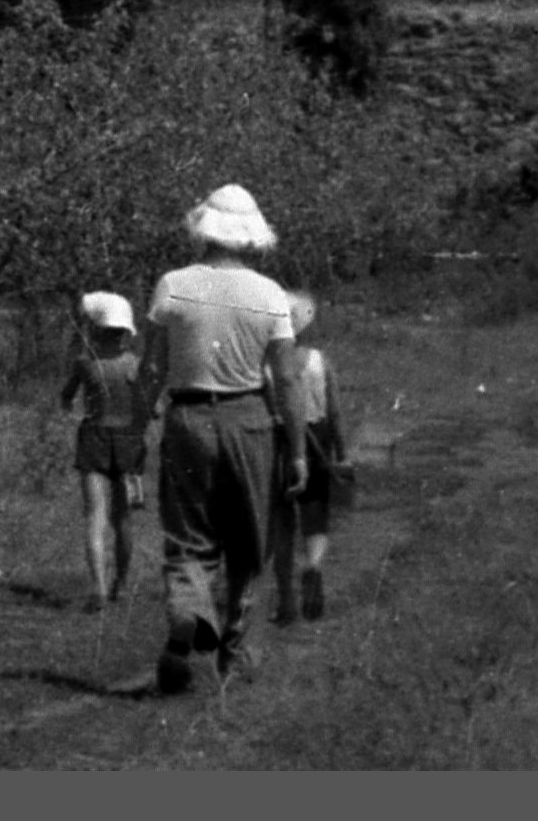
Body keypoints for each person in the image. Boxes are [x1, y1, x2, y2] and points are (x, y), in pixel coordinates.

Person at [142, 183, 306, 694]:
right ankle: (235, 651)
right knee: (248, 539)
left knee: (188, 535)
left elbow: (152, 367)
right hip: (250, 420)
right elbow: (287, 379)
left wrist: (137, 421)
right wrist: (298, 451)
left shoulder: (172, 284)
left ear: (203, 228)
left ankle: (189, 613)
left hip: (188, 419)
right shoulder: (269, 293)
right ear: (250, 236)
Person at [59, 291, 149, 609]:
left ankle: (97, 588)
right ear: (125, 331)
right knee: (123, 518)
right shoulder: (135, 366)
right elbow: (150, 408)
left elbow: (66, 396)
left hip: (94, 436)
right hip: (128, 440)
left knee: (94, 516)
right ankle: (121, 585)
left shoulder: (86, 363)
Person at [269, 292, 352, 625]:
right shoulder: (320, 361)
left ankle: (287, 601)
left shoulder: (268, 367)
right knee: (315, 514)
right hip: (318, 438)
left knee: (282, 522)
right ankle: (313, 565)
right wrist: (342, 453)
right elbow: (335, 411)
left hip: (281, 442)